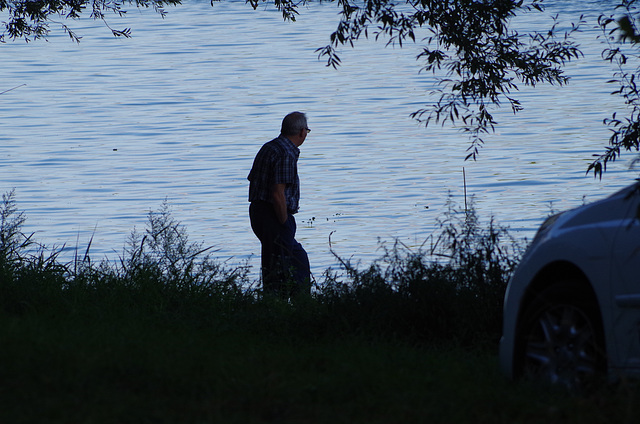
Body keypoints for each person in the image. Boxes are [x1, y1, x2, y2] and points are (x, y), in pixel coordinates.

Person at [248, 111, 311, 299]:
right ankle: (280, 310)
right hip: (273, 216)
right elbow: (277, 193)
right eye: (307, 130)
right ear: (302, 132)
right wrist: (284, 222)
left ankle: (298, 307)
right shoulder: (286, 152)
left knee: (296, 260)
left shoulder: (269, 147)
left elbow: (253, 179)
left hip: (259, 212)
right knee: (277, 269)